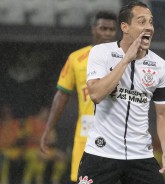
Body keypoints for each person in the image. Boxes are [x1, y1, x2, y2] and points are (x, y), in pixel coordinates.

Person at [79, 1, 165, 184]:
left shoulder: (161, 66)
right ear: (125, 27)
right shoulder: (101, 53)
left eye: (151, 22)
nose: (149, 27)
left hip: (140, 155)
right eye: (142, 21)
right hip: (101, 152)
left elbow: (163, 114)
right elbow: (96, 95)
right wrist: (125, 60)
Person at [40, 11, 117, 183]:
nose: (107, 33)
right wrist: (48, 127)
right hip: (87, 131)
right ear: (93, 29)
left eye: (111, 30)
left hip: (115, 130)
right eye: (103, 28)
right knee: (82, 179)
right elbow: (62, 94)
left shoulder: (124, 59)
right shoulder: (76, 58)